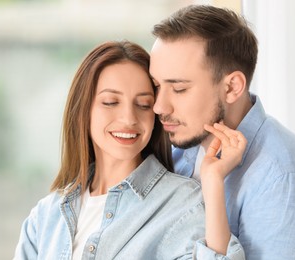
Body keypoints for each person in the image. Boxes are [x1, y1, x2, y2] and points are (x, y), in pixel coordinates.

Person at [13, 40, 248, 259]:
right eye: (111, 102)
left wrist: (213, 180)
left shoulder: (182, 203)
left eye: (143, 105)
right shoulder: (46, 216)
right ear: (83, 110)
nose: (129, 118)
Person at [149, 4, 295, 260]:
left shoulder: (286, 180)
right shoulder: (180, 151)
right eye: (157, 86)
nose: (159, 106)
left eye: (179, 88)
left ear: (232, 87)